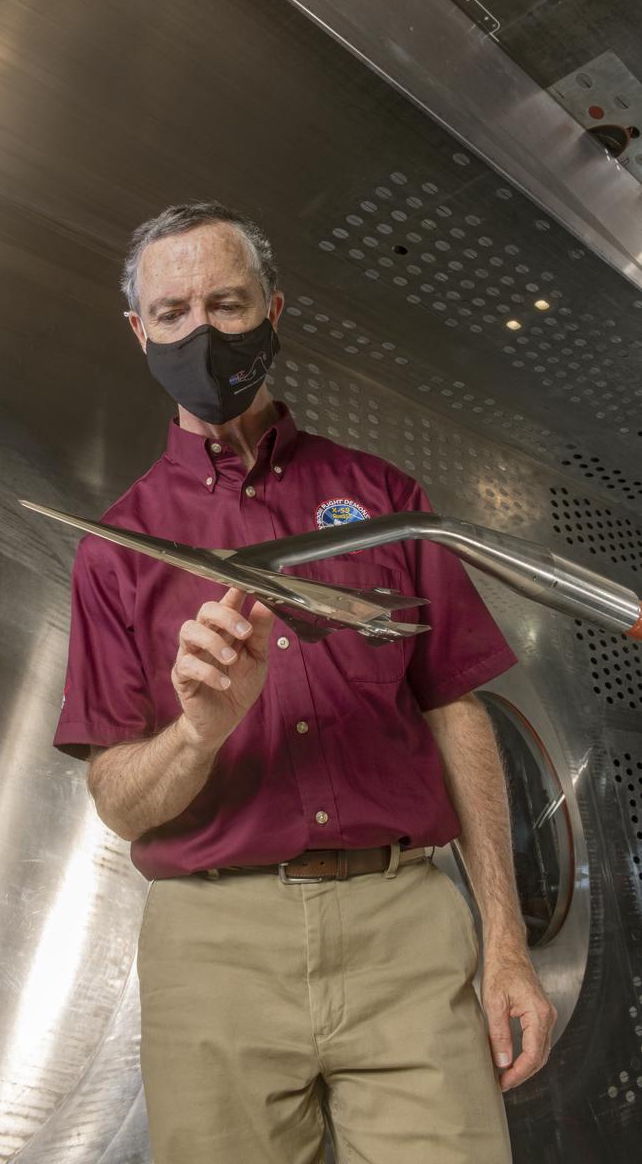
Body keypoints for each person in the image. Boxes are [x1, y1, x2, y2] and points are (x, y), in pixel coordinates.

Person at [53, 201, 556, 1163]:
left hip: (403, 927)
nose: (201, 333)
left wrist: (504, 942)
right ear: (138, 333)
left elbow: (454, 710)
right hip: (214, 947)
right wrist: (198, 732)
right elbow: (118, 801)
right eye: (171, 314)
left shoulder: (386, 501)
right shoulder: (115, 550)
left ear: (272, 311)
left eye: (227, 304)